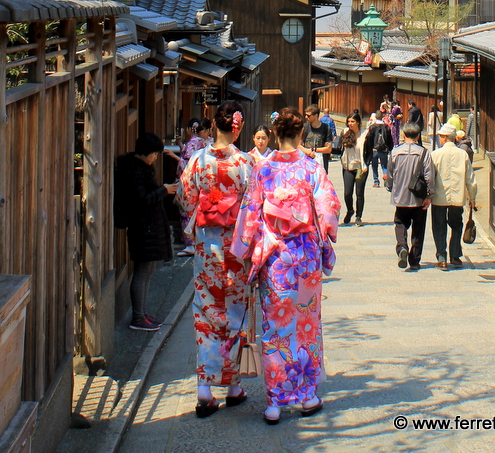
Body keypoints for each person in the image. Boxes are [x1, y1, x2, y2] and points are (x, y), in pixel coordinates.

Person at [231, 107, 340, 424]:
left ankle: (275, 402)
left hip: (275, 258)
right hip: (304, 255)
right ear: (301, 134)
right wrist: (325, 231)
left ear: (276, 135)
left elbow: (250, 213)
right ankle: (306, 396)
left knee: (276, 328)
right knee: (306, 325)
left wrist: (242, 250)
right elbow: (328, 208)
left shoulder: (262, 170)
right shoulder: (311, 168)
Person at [177, 101, 253, 417]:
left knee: (206, 310)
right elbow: (254, 208)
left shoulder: (197, 160)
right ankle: (234, 385)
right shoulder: (246, 163)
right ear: (237, 126)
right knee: (236, 312)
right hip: (237, 248)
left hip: (208, 247)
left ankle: (204, 390)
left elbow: (184, 200)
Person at [117, 132, 178, 331]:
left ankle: (142, 313)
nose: (155, 157)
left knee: (148, 270)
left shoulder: (141, 168)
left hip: (148, 226)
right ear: (146, 152)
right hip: (142, 226)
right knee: (142, 272)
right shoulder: (135, 171)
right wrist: (164, 190)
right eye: (154, 153)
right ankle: (138, 316)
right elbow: (141, 200)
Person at [387, 121, 434, 271]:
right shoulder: (424, 152)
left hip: (400, 195)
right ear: (418, 135)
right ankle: (414, 260)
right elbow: (429, 175)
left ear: (403, 134)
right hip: (418, 197)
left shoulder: (395, 152)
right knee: (418, 228)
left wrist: (390, 187)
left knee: (400, 222)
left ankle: (402, 246)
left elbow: (390, 174)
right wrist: (429, 194)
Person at [430, 123, 477, 269]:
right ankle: (455, 255)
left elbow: (430, 177)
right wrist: (472, 198)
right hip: (458, 197)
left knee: (439, 226)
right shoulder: (462, 154)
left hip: (439, 196)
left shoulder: (435, 154)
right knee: (456, 225)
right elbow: (470, 178)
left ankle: (442, 257)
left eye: (440, 136)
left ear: (444, 138)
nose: (439, 139)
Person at [173, 119, 212, 257]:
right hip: (206, 183)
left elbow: (186, 163)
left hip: (191, 183)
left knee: (187, 213)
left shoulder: (193, 143)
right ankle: (201, 242)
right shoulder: (210, 143)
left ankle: (190, 244)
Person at [340, 113, 370, 226]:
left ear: (358, 122)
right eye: (348, 121)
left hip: (360, 167)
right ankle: (350, 210)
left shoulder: (365, 134)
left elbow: (369, 152)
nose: (350, 124)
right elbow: (340, 149)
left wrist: (366, 164)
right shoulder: (345, 132)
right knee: (347, 193)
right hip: (348, 166)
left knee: (359, 193)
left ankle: (358, 216)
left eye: (352, 121)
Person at [366, 112, 393, 187]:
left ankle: (376, 181)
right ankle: (385, 178)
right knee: (384, 165)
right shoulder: (386, 127)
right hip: (384, 149)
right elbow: (390, 139)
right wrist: (390, 148)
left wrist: (368, 149)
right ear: (382, 117)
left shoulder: (372, 127)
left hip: (374, 150)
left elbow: (369, 139)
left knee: (374, 166)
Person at [302, 106, 333, 171]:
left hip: (321, 165)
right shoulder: (305, 127)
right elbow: (298, 145)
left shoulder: (326, 128)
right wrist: (308, 152)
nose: (306, 117)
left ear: (316, 116)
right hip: (306, 165)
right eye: (305, 115)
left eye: (308, 116)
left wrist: (314, 150)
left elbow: (328, 149)